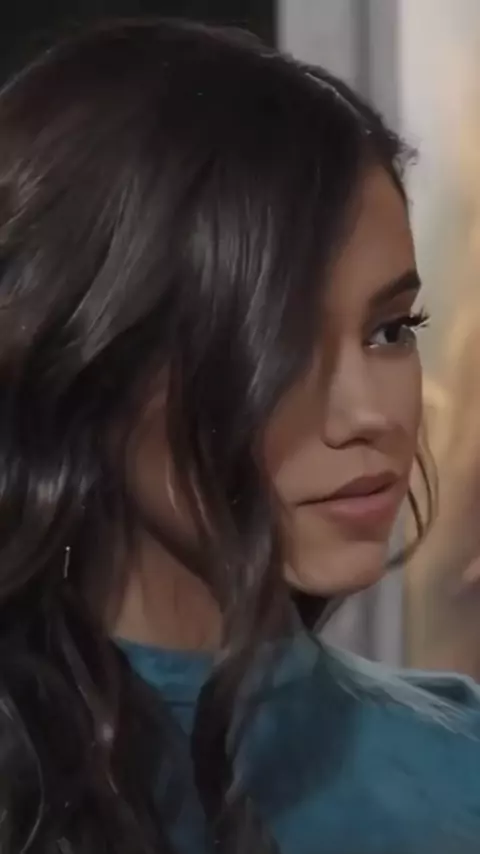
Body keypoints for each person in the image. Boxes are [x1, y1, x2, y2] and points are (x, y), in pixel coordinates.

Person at [0, 18, 479, 854]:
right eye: (279, 346)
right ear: (89, 358)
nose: (371, 414)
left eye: (391, 330)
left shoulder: (459, 761)